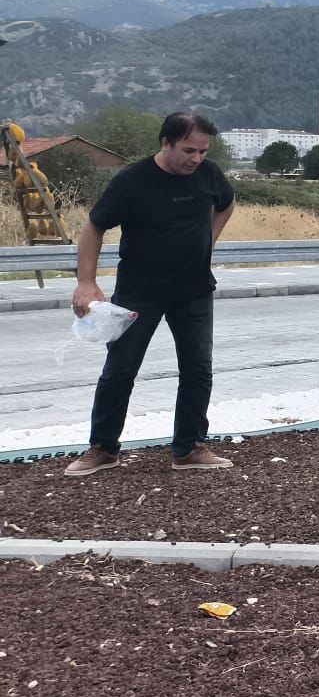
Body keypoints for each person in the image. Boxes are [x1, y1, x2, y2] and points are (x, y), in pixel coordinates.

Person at [65, 112, 237, 476]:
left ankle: (188, 448)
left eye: (203, 151)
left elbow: (226, 203)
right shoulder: (133, 181)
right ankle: (103, 448)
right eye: (189, 150)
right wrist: (86, 282)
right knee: (120, 370)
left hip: (194, 290)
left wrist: (207, 241)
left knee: (197, 369)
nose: (197, 158)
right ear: (166, 143)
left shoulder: (209, 174)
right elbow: (94, 226)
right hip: (139, 293)